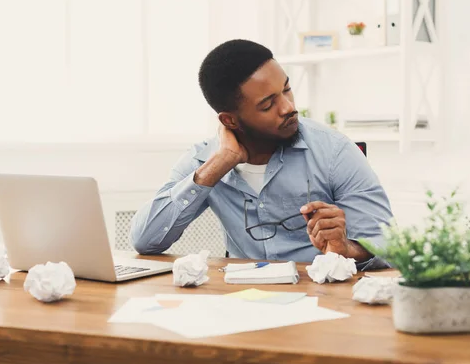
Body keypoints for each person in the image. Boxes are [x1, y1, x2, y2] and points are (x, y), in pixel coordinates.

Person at [130, 39, 393, 270]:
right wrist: (220, 163)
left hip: (322, 296)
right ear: (230, 120)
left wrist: (346, 248)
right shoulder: (205, 158)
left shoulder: (334, 149)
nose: (288, 107)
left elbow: (389, 246)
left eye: (287, 89)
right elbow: (145, 240)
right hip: (243, 300)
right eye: (268, 104)